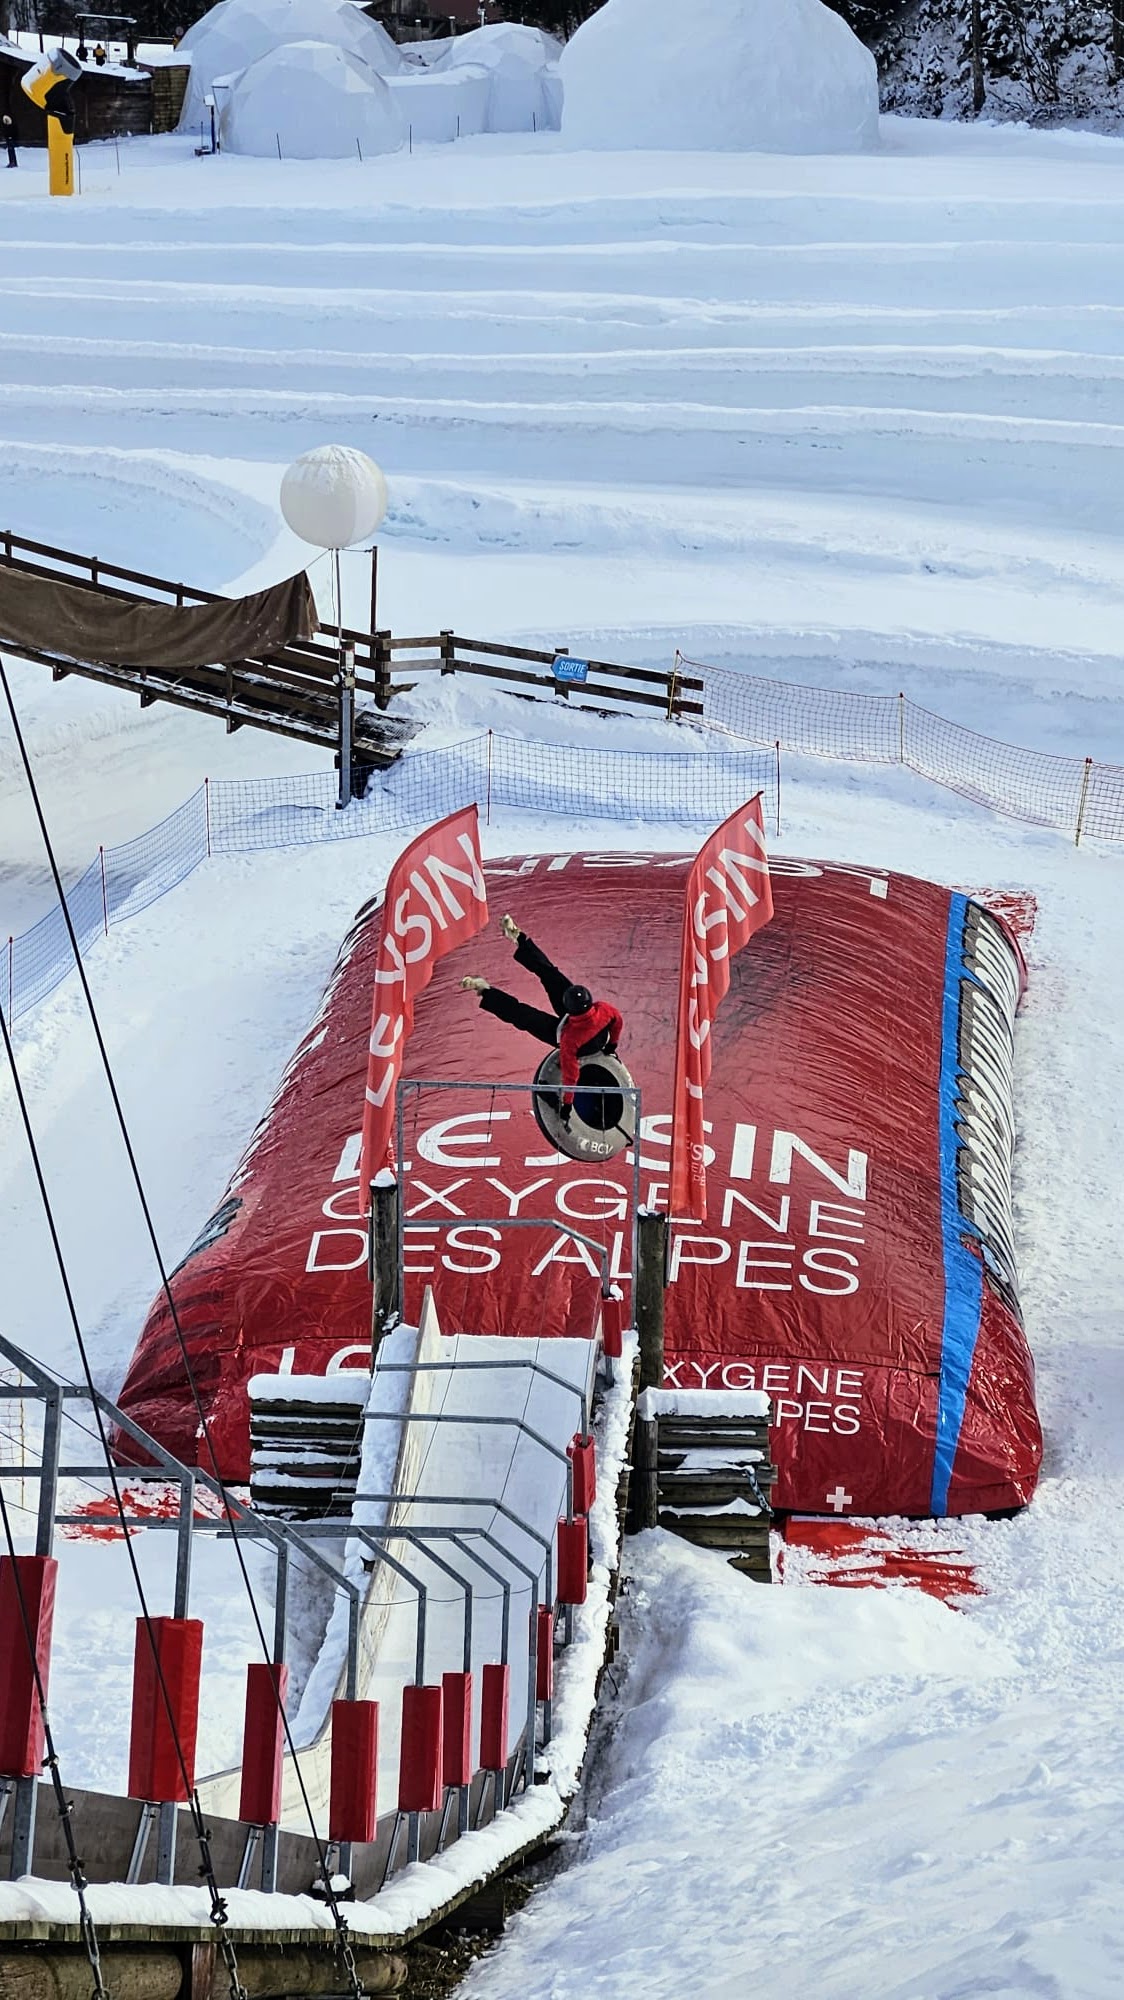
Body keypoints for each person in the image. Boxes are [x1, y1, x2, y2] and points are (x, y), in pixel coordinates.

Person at [462, 915, 624, 1127]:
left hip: (574, 1039)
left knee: (540, 991)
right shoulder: (603, 1009)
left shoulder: (570, 1041)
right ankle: (486, 986)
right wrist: (612, 1046)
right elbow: (617, 1022)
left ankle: (515, 945)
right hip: (590, 1031)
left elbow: (571, 1076)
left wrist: (567, 1105)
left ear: (569, 1007)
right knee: (524, 1013)